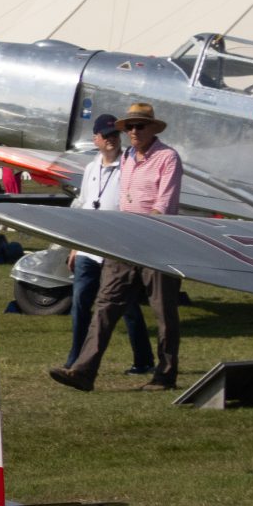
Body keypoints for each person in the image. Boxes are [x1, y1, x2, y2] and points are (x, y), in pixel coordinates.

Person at [50, 101, 182, 392]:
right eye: (130, 127)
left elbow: (165, 204)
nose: (133, 131)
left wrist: (140, 228)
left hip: (156, 243)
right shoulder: (128, 158)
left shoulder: (167, 158)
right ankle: (83, 372)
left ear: (152, 128)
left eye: (139, 126)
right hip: (123, 243)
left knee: (163, 312)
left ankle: (165, 374)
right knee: (105, 305)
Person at [60, 114, 156, 376]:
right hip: (89, 247)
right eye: (107, 135)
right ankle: (75, 358)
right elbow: (83, 205)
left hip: (117, 246)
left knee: (126, 306)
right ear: (96, 139)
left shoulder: (129, 165)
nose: (112, 140)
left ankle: (143, 359)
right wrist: (74, 246)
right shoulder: (91, 169)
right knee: (80, 302)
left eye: (115, 135)